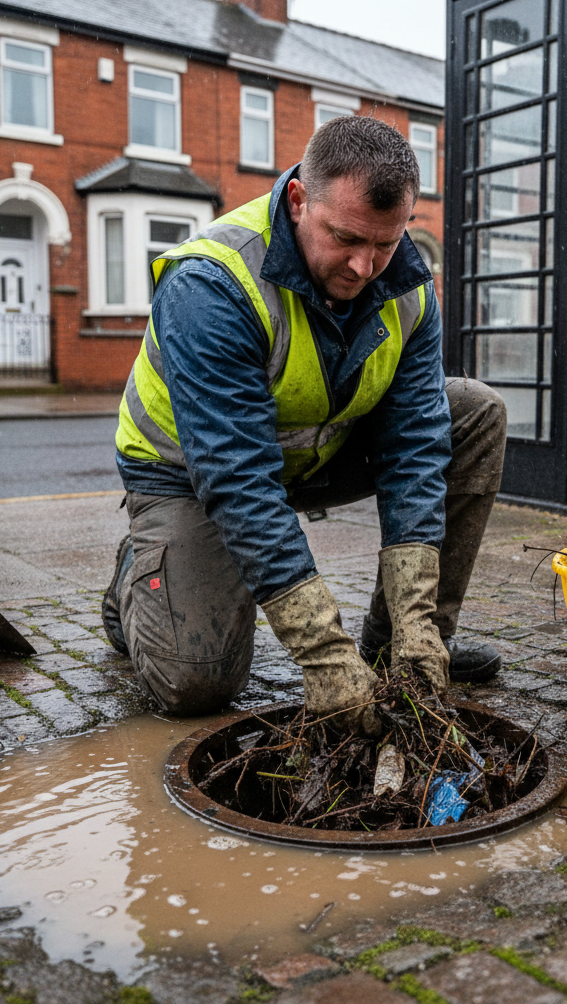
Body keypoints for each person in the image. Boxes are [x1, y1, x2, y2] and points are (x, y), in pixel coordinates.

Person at [102, 115, 506, 731]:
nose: (365, 266)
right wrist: (321, 653)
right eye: (344, 237)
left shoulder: (408, 285)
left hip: (315, 448)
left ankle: (405, 651)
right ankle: (140, 570)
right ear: (297, 200)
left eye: (386, 243)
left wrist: (418, 619)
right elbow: (236, 478)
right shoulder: (211, 283)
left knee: (474, 412)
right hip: (189, 471)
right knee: (195, 683)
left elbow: (418, 443)